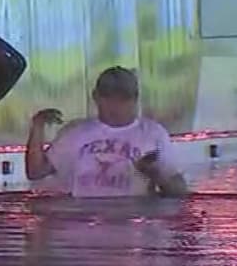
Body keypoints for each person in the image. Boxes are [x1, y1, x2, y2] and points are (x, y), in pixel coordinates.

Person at [24, 66, 188, 199]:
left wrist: (154, 172)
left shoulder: (153, 134)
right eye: (108, 98)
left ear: (136, 98)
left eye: (123, 99)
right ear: (95, 97)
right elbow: (35, 172)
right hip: (84, 223)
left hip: (134, 222)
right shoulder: (75, 133)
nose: (115, 105)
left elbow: (179, 191)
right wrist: (37, 127)